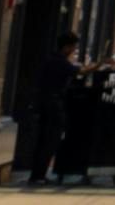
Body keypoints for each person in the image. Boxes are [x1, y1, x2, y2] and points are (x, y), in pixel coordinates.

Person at [26, 33, 84, 186]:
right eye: (73, 47)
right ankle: (39, 175)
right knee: (50, 140)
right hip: (54, 106)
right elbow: (80, 72)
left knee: (43, 139)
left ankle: (37, 175)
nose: (74, 50)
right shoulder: (60, 61)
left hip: (44, 103)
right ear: (67, 46)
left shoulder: (51, 59)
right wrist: (99, 64)